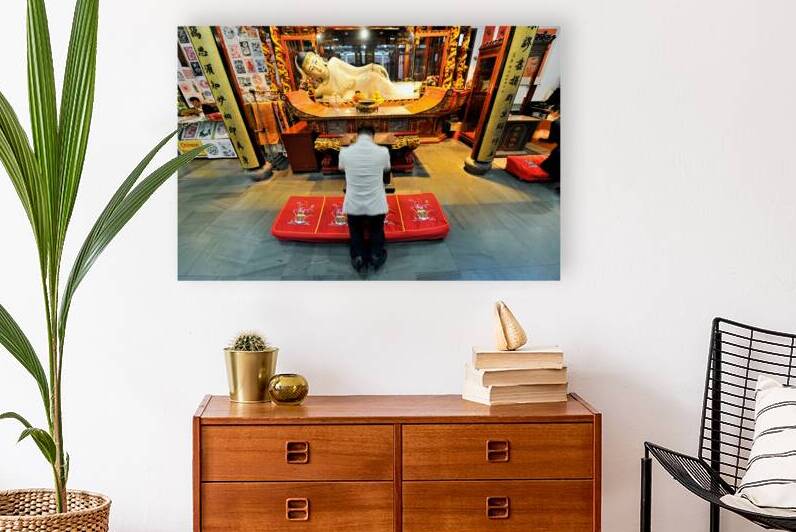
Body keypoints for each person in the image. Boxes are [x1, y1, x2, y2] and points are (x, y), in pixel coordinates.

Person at [339, 125, 391, 273]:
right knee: (377, 229)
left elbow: (341, 168)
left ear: (357, 136)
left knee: (355, 230)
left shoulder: (345, 152)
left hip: (353, 204)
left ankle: (359, 257)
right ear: (372, 136)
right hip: (376, 204)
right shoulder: (383, 151)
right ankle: (375, 255)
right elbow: (387, 168)